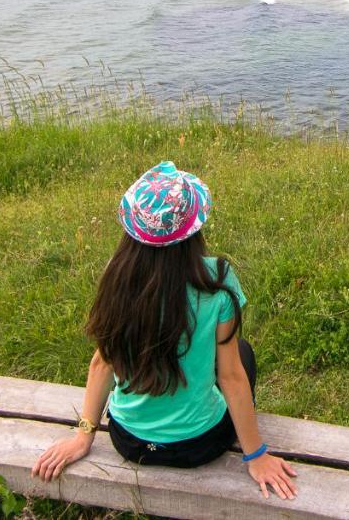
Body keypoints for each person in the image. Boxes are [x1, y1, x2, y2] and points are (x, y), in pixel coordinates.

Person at [32, 161, 298, 500]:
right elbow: (231, 378)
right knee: (241, 353)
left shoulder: (118, 279)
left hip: (129, 441)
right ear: (194, 229)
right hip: (200, 444)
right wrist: (256, 456)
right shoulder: (217, 280)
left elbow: (102, 363)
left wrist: (84, 436)